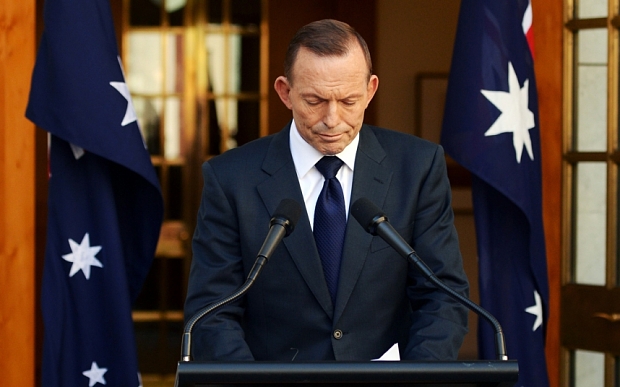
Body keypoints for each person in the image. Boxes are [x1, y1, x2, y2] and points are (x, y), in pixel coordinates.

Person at [184, 19, 469, 362]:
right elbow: (212, 311)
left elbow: (443, 297)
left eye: (349, 100)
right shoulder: (230, 178)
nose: (332, 119)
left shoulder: (418, 167)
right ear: (285, 92)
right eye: (315, 100)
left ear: (371, 90)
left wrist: (413, 382)